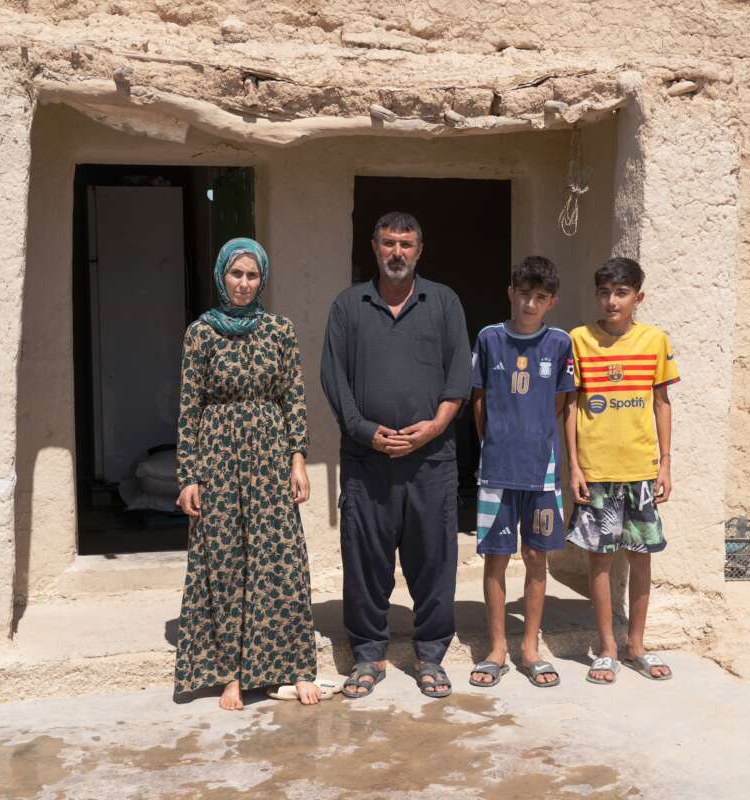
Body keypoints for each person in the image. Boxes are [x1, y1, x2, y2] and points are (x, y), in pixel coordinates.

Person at [320, 211, 471, 699]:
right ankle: (367, 655)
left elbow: (458, 378)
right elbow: (333, 379)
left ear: (420, 250)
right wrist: (365, 430)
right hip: (368, 462)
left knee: (434, 561)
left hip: (432, 461)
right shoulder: (349, 306)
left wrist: (434, 428)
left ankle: (430, 655)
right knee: (365, 562)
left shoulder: (443, 302)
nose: (397, 253)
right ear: (374, 247)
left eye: (406, 244)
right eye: (389, 243)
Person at [173, 237, 322, 710]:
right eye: (236, 274)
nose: (243, 283)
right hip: (217, 457)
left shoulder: (279, 330)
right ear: (222, 275)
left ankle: (295, 666)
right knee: (223, 561)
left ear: (262, 279)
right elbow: (189, 406)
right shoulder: (200, 332)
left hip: (270, 455)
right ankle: (229, 673)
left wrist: (298, 458)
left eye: (252, 275)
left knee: (280, 558)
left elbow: (293, 396)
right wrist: (188, 475)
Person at [565, 257, 679, 684]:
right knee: (600, 559)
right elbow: (572, 406)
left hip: (641, 469)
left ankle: (636, 646)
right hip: (596, 469)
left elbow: (662, 402)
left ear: (638, 297)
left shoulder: (654, 341)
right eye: (605, 293)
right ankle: (607, 649)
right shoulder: (579, 340)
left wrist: (665, 462)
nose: (612, 301)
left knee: (642, 557)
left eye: (621, 293)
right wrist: (574, 465)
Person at [468, 256, 575, 690]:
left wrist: (540, 443)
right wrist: (495, 441)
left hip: (542, 473)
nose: (530, 304)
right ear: (511, 293)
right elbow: (479, 401)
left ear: (552, 301)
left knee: (535, 557)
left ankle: (530, 648)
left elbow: (562, 404)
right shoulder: (490, 338)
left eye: (540, 297)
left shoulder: (560, 343)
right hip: (496, 469)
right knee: (496, 558)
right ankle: (497, 650)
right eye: (524, 294)